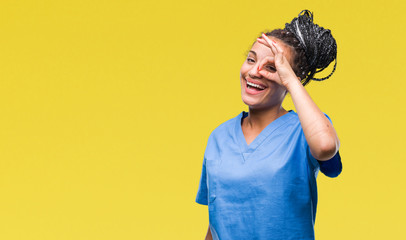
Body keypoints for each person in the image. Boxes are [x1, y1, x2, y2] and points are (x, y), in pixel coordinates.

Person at [195, 10, 343, 240]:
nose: (255, 72)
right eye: (251, 60)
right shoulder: (219, 137)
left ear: (291, 78)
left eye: (272, 68)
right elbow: (217, 222)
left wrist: (292, 81)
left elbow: (325, 147)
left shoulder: (303, 131)